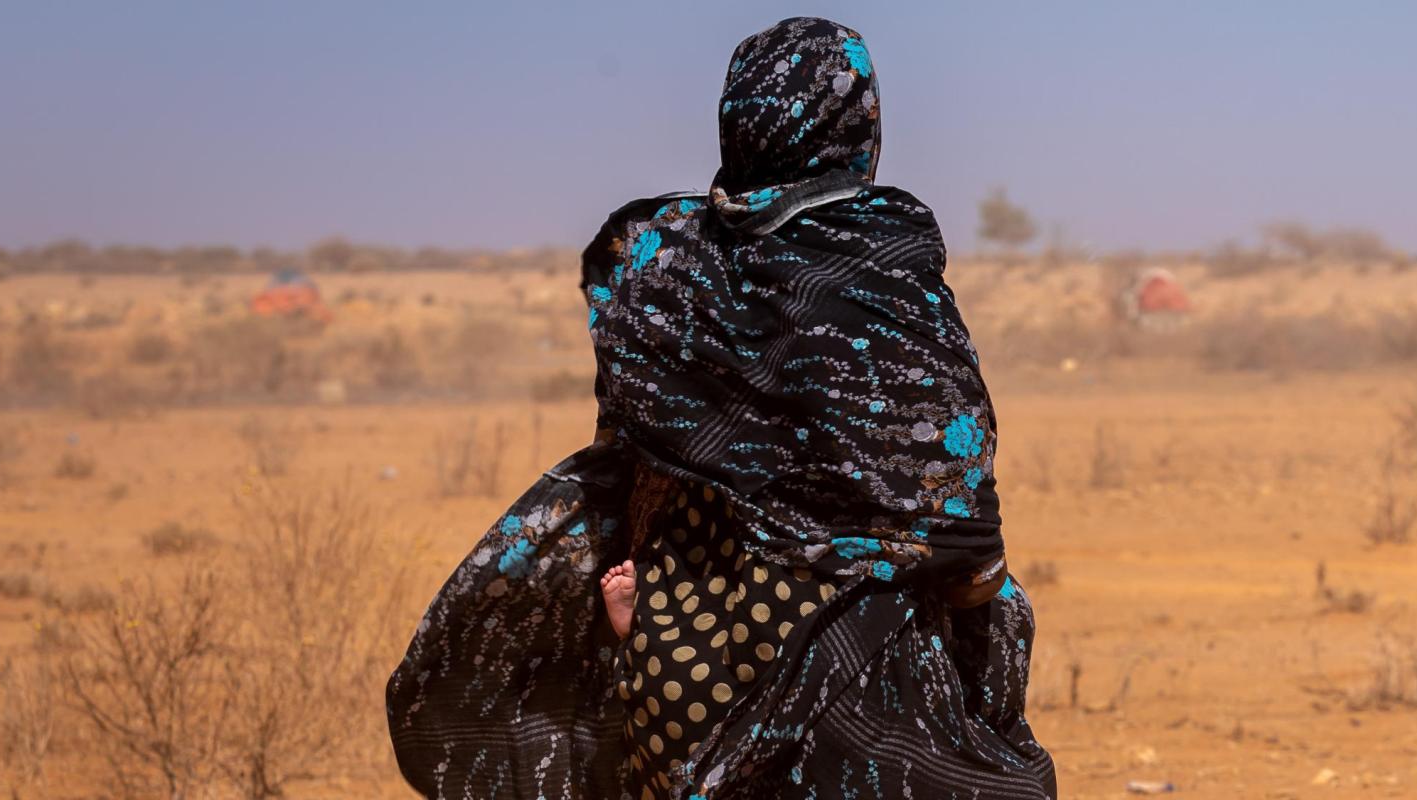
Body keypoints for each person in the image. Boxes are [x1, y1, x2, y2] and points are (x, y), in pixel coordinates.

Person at [386, 18, 1055, 799]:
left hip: (678, 661)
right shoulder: (878, 263)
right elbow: (953, 498)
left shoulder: (657, 259)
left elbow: (629, 450)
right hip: (848, 666)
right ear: (861, 125)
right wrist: (985, 606)